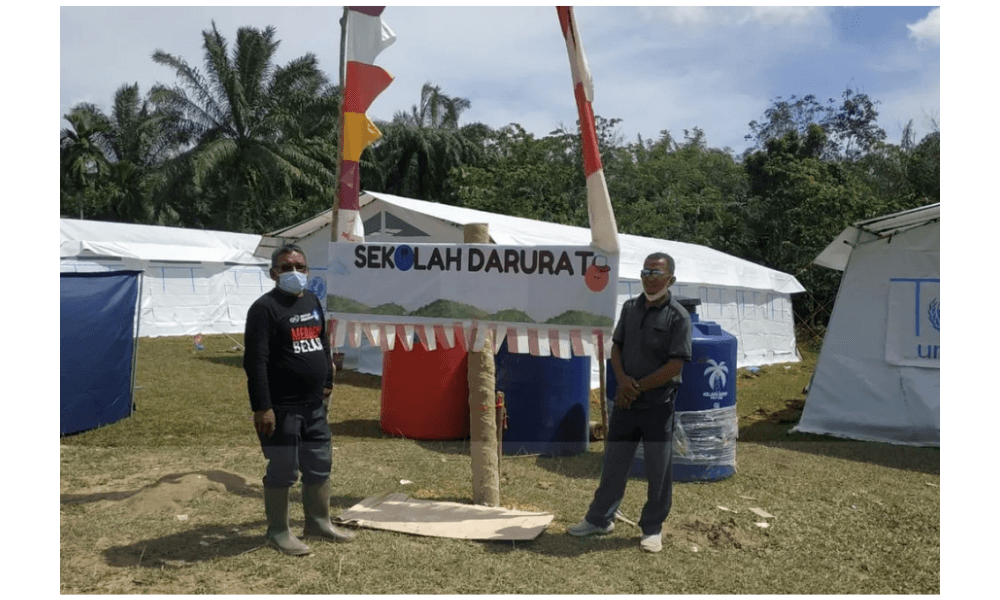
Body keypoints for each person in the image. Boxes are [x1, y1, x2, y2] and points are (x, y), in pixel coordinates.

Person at [567, 252, 692, 553]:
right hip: (625, 401)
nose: (650, 277)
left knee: (657, 469)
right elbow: (617, 347)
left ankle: (652, 528)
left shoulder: (678, 316)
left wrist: (637, 387)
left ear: (670, 279)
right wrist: (622, 381)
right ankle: (599, 518)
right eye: (646, 272)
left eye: (657, 273)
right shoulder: (630, 308)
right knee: (614, 462)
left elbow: (676, 364)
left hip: (657, 405)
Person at [243, 243, 354, 555]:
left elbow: (322, 341)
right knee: (283, 468)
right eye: (286, 267)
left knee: (319, 464)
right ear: (273, 273)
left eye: (300, 267)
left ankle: (318, 522)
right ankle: (278, 532)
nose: (294, 273)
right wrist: (262, 407)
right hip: (281, 408)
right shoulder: (264, 309)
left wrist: (328, 380)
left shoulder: (312, 300)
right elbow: (256, 362)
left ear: (308, 271)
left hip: (314, 406)